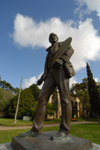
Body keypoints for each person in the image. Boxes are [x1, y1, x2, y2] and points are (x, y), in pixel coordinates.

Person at [19, 33, 75, 140]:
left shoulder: (63, 44)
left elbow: (70, 50)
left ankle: (64, 131)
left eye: (54, 35)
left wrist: (62, 60)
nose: (52, 37)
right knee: (41, 99)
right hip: (50, 75)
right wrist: (41, 78)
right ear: (49, 40)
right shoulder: (49, 51)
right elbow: (47, 67)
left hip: (61, 70)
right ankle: (35, 130)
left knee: (65, 99)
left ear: (57, 38)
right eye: (50, 36)